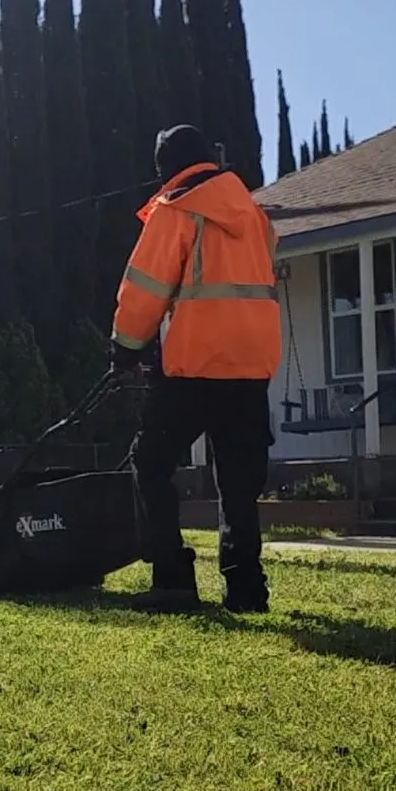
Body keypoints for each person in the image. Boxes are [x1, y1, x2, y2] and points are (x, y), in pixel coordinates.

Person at [110, 124, 282, 613]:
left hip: (193, 367)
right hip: (250, 368)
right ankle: (246, 588)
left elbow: (144, 287)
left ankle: (172, 580)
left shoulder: (178, 210)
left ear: (167, 168)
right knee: (238, 481)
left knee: (151, 462)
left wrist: (126, 347)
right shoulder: (257, 218)